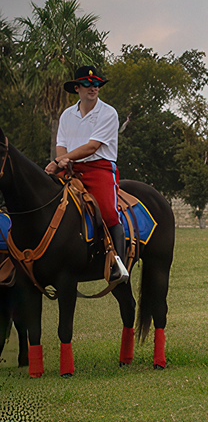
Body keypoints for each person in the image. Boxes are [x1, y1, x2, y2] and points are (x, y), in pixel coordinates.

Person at [45, 65, 128, 284]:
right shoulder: (67, 115)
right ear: (77, 88)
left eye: (97, 84)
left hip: (98, 168)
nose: (93, 88)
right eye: (88, 84)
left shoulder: (108, 113)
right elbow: (61, 144)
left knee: (109, 212)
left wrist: (59, 161)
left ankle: (119, 264)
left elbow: (92, 147)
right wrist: (62, 161)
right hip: (70, 168)